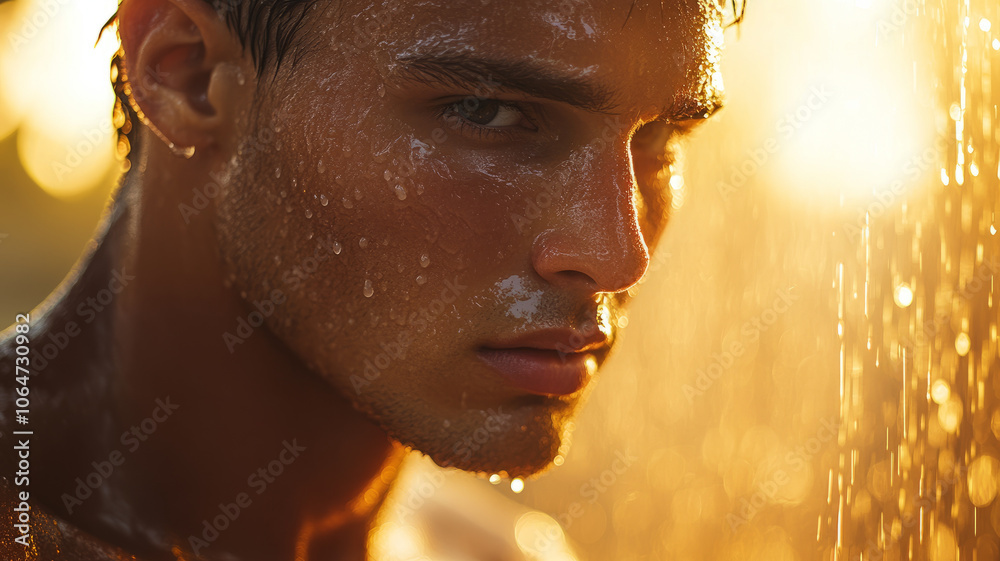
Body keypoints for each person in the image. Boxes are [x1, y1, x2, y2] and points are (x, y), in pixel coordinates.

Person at [0, 0, 735, 558]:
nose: (618, 254)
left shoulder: (493, 548)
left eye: (660, 140)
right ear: (190, 75)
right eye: (488, 112)